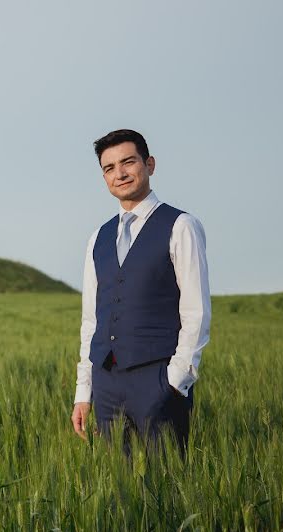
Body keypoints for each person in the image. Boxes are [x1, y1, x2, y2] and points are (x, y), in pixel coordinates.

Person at [70, 130, 210, 452]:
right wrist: (84, 393)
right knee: (118, 494)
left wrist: (175, 383)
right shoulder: (98, 239)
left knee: (166, 489)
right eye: (109, 168)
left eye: (128, 162)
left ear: (149, 164)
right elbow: (91, 321)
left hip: (157, 381)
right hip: (106, 386)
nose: (119, 173)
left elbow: (196, 312)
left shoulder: (180, 226)